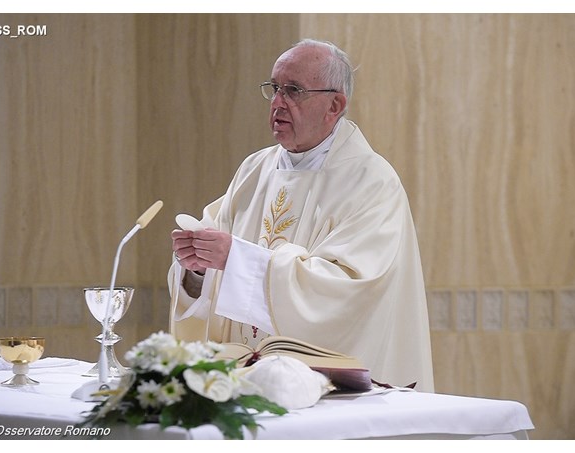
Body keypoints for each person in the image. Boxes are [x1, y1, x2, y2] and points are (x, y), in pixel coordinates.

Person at [169, 38, 434, 392]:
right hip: (247, 379)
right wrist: (198, 268)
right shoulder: (254, 170)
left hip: (333, 393)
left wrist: (236, 259)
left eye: (293, 90)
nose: (278, 103)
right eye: (274, 88)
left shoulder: (372, 181)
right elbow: (214, 258)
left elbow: (348, 289)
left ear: (335, 105)